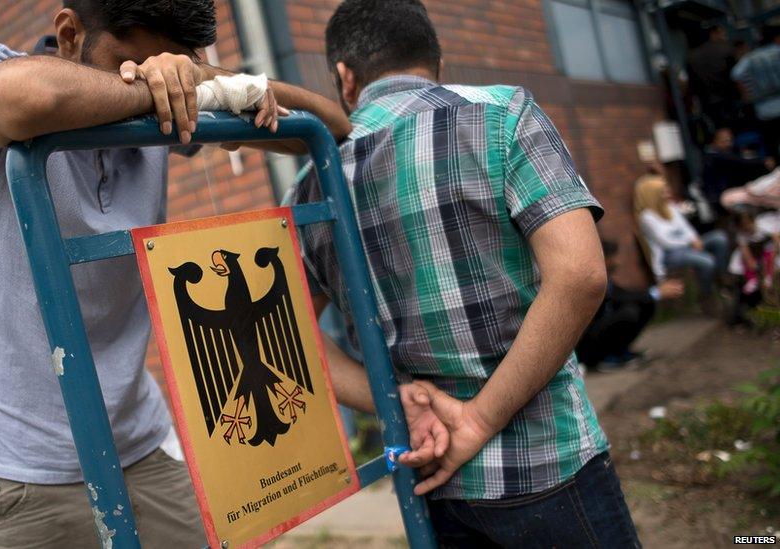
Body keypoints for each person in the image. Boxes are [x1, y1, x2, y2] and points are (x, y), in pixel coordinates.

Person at [0, 1, 350, 547]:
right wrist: (159, 90)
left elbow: (330, 129)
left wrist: (208, 82)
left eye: (172, 67)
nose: (151, 77)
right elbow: (25, 101)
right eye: (131, 61)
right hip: (21, 467)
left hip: (138, 440)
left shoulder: (171, 93)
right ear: (69, 33)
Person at [286, 1, 639, 545]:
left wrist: (393, 400)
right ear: (437, 61)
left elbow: (291, 339)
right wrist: (478, 420)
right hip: (549, 462)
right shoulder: (503, 114)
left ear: (344, 78)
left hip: (427, 478)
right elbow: (581, 276)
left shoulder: (312, 183)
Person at [576, 241, 684, 371]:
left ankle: (619, 351)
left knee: (645, 305)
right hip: (584, 344)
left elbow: (622, 294)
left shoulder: (606, 279)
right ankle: (602, 358)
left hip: (596, 332)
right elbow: (618, 297)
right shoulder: (589, 281)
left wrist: (654, 294)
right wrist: (656, 292)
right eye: (613, 257)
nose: (617, 262)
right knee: (629, 312)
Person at [635, 175, 729, 299]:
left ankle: (721, 278)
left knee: (719, 237)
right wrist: (690, 242)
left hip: (687, 246)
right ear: (653, 194)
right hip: (670, 254)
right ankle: (707, 294)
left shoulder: (670, 208)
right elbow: (666, 242)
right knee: (707, 261)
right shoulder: (647, 217)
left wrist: (695, 239)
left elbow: (687, 228)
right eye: (663, 191)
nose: (667, 193)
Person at [732, 26, 780, 156]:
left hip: (764, 109)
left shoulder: (751, 57)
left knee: (773, 146)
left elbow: (736, 74)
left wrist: (746, 94)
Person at [703, 127, 774, 208]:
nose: (728, 144)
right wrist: (762, 161)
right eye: (724, 141)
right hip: (719, 199)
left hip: (729, 194)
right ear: (715, 142)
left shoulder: (730, 151)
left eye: (730, 141)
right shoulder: (712, 156)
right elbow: (737, 161)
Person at [687, 25, 739, 128]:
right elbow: (737, 73)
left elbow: (692, 83)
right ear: (713, 33)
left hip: (709, 102)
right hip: (731, 97)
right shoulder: (725, 49)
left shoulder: (691, 57)